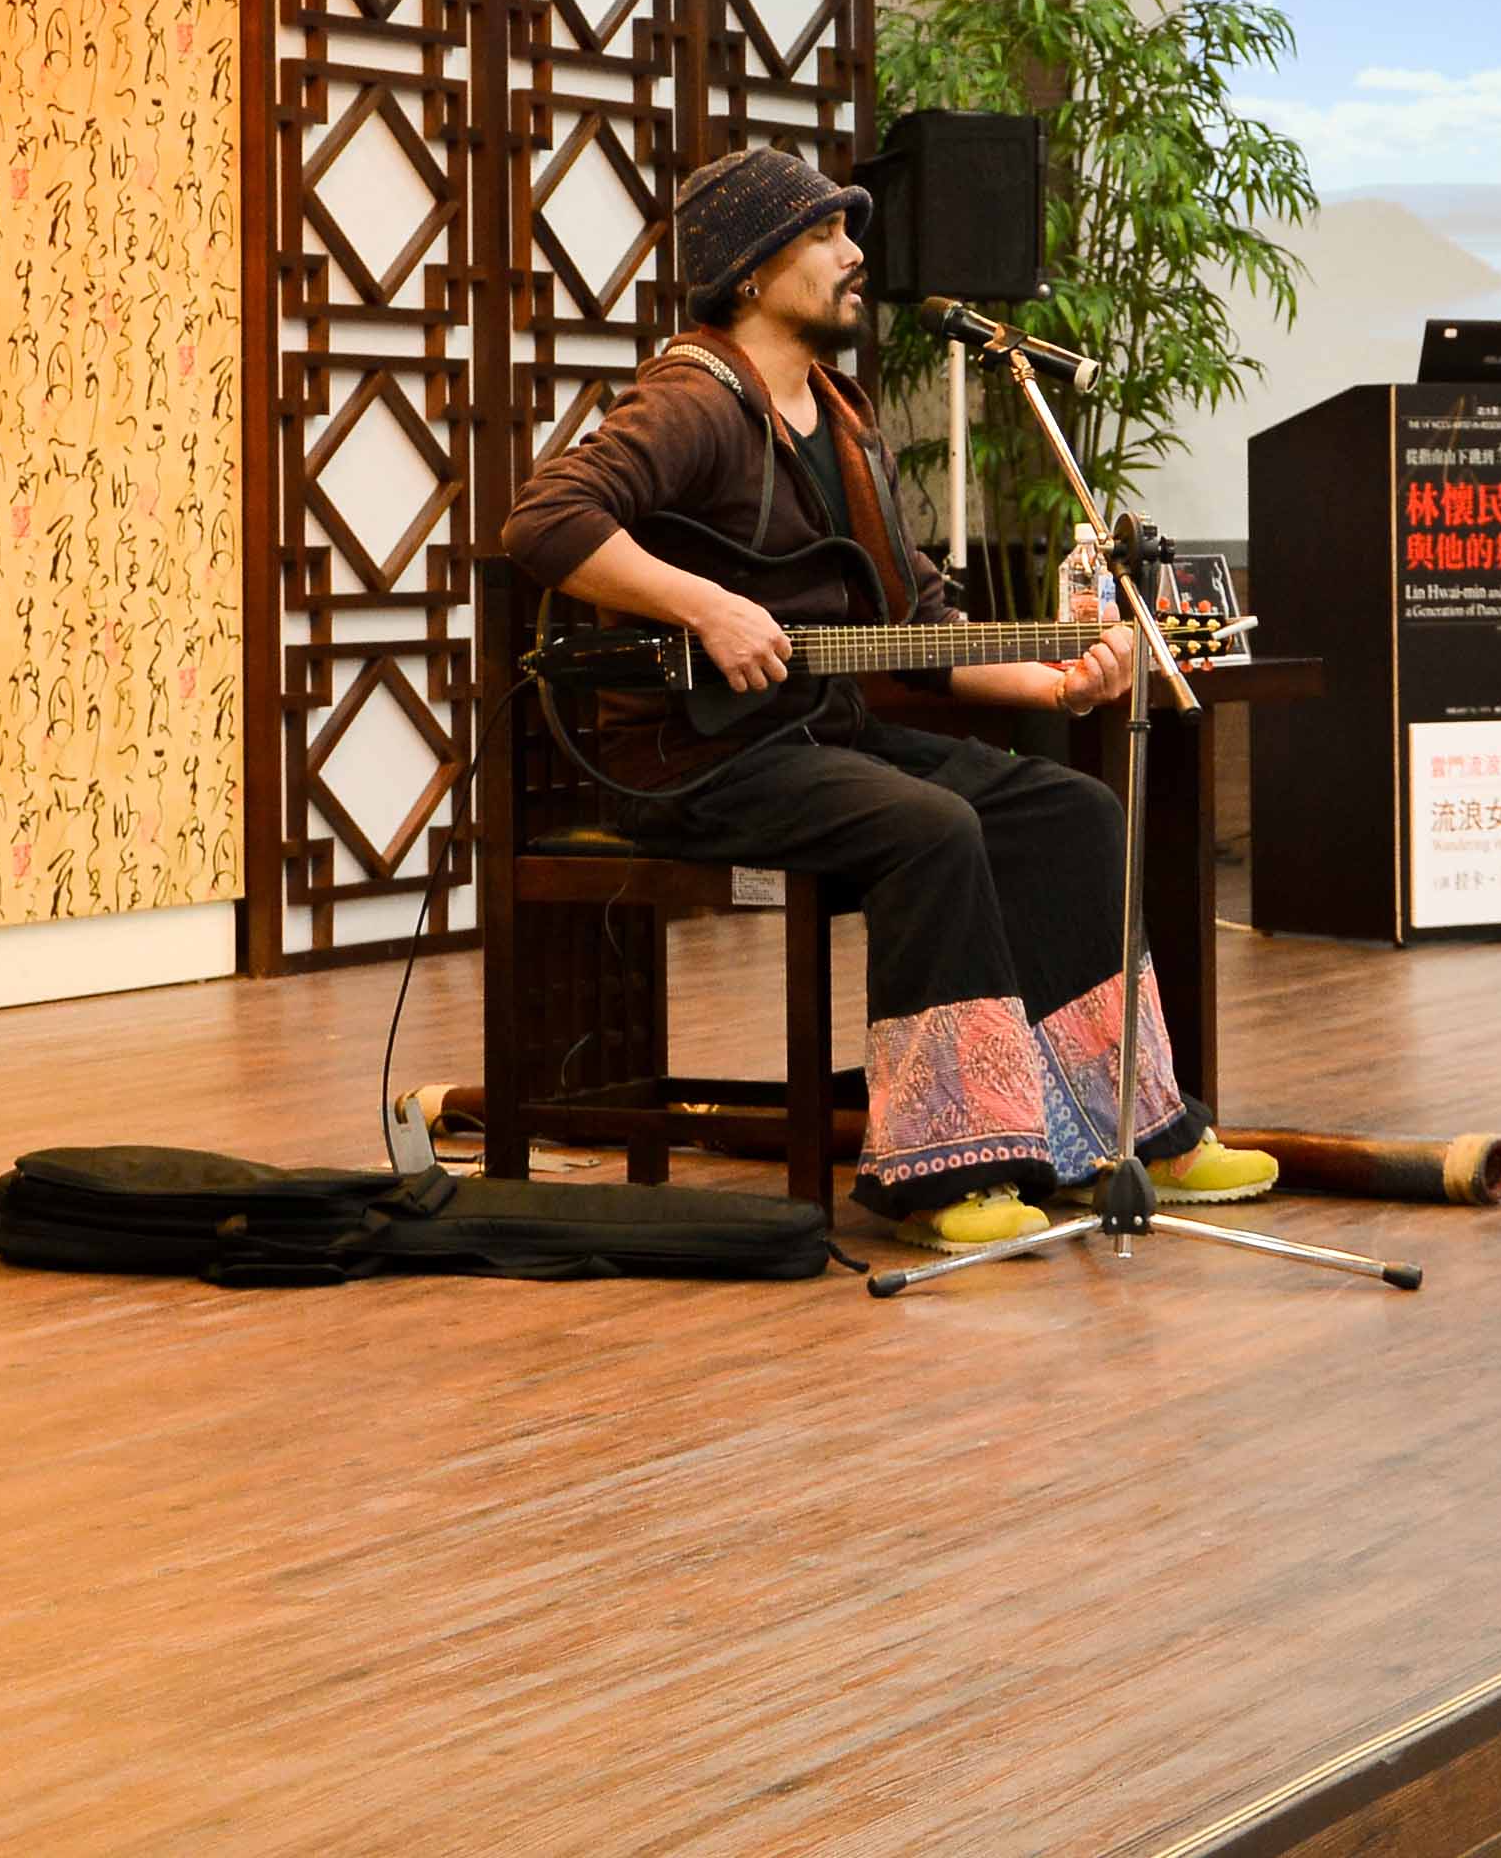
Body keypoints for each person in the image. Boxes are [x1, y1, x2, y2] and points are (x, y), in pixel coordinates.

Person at [500, 144, 1277, 1248]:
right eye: (826, 234)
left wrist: (1060, 675)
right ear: (752, 273)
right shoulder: (691, 399)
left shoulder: (846, 416)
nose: (855, 253)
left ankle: (1130, 1130)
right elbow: (543, 521)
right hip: (699, 757)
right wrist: (705, 607)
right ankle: (946, 1165)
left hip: (823, 734)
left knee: (1068, 813)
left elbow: (912, 625)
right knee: (931, 827)